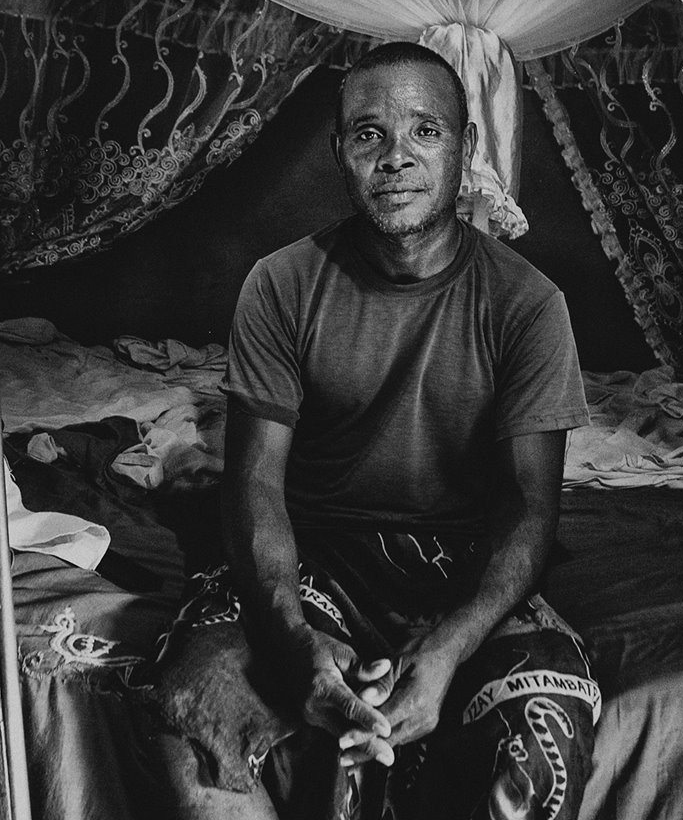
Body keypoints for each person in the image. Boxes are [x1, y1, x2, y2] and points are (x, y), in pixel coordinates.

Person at [148, 42, 598, 820]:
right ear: (340, 153)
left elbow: (531, 506)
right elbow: (255, 484)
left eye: (426, 132)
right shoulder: (282, 283)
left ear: (466, 147)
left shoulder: (528, 303)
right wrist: (293, 645)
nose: (396, 158)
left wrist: (452, 647)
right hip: (313, 556)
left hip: (462, 565)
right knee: (198, 707)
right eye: (368, 135)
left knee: (544, 736)